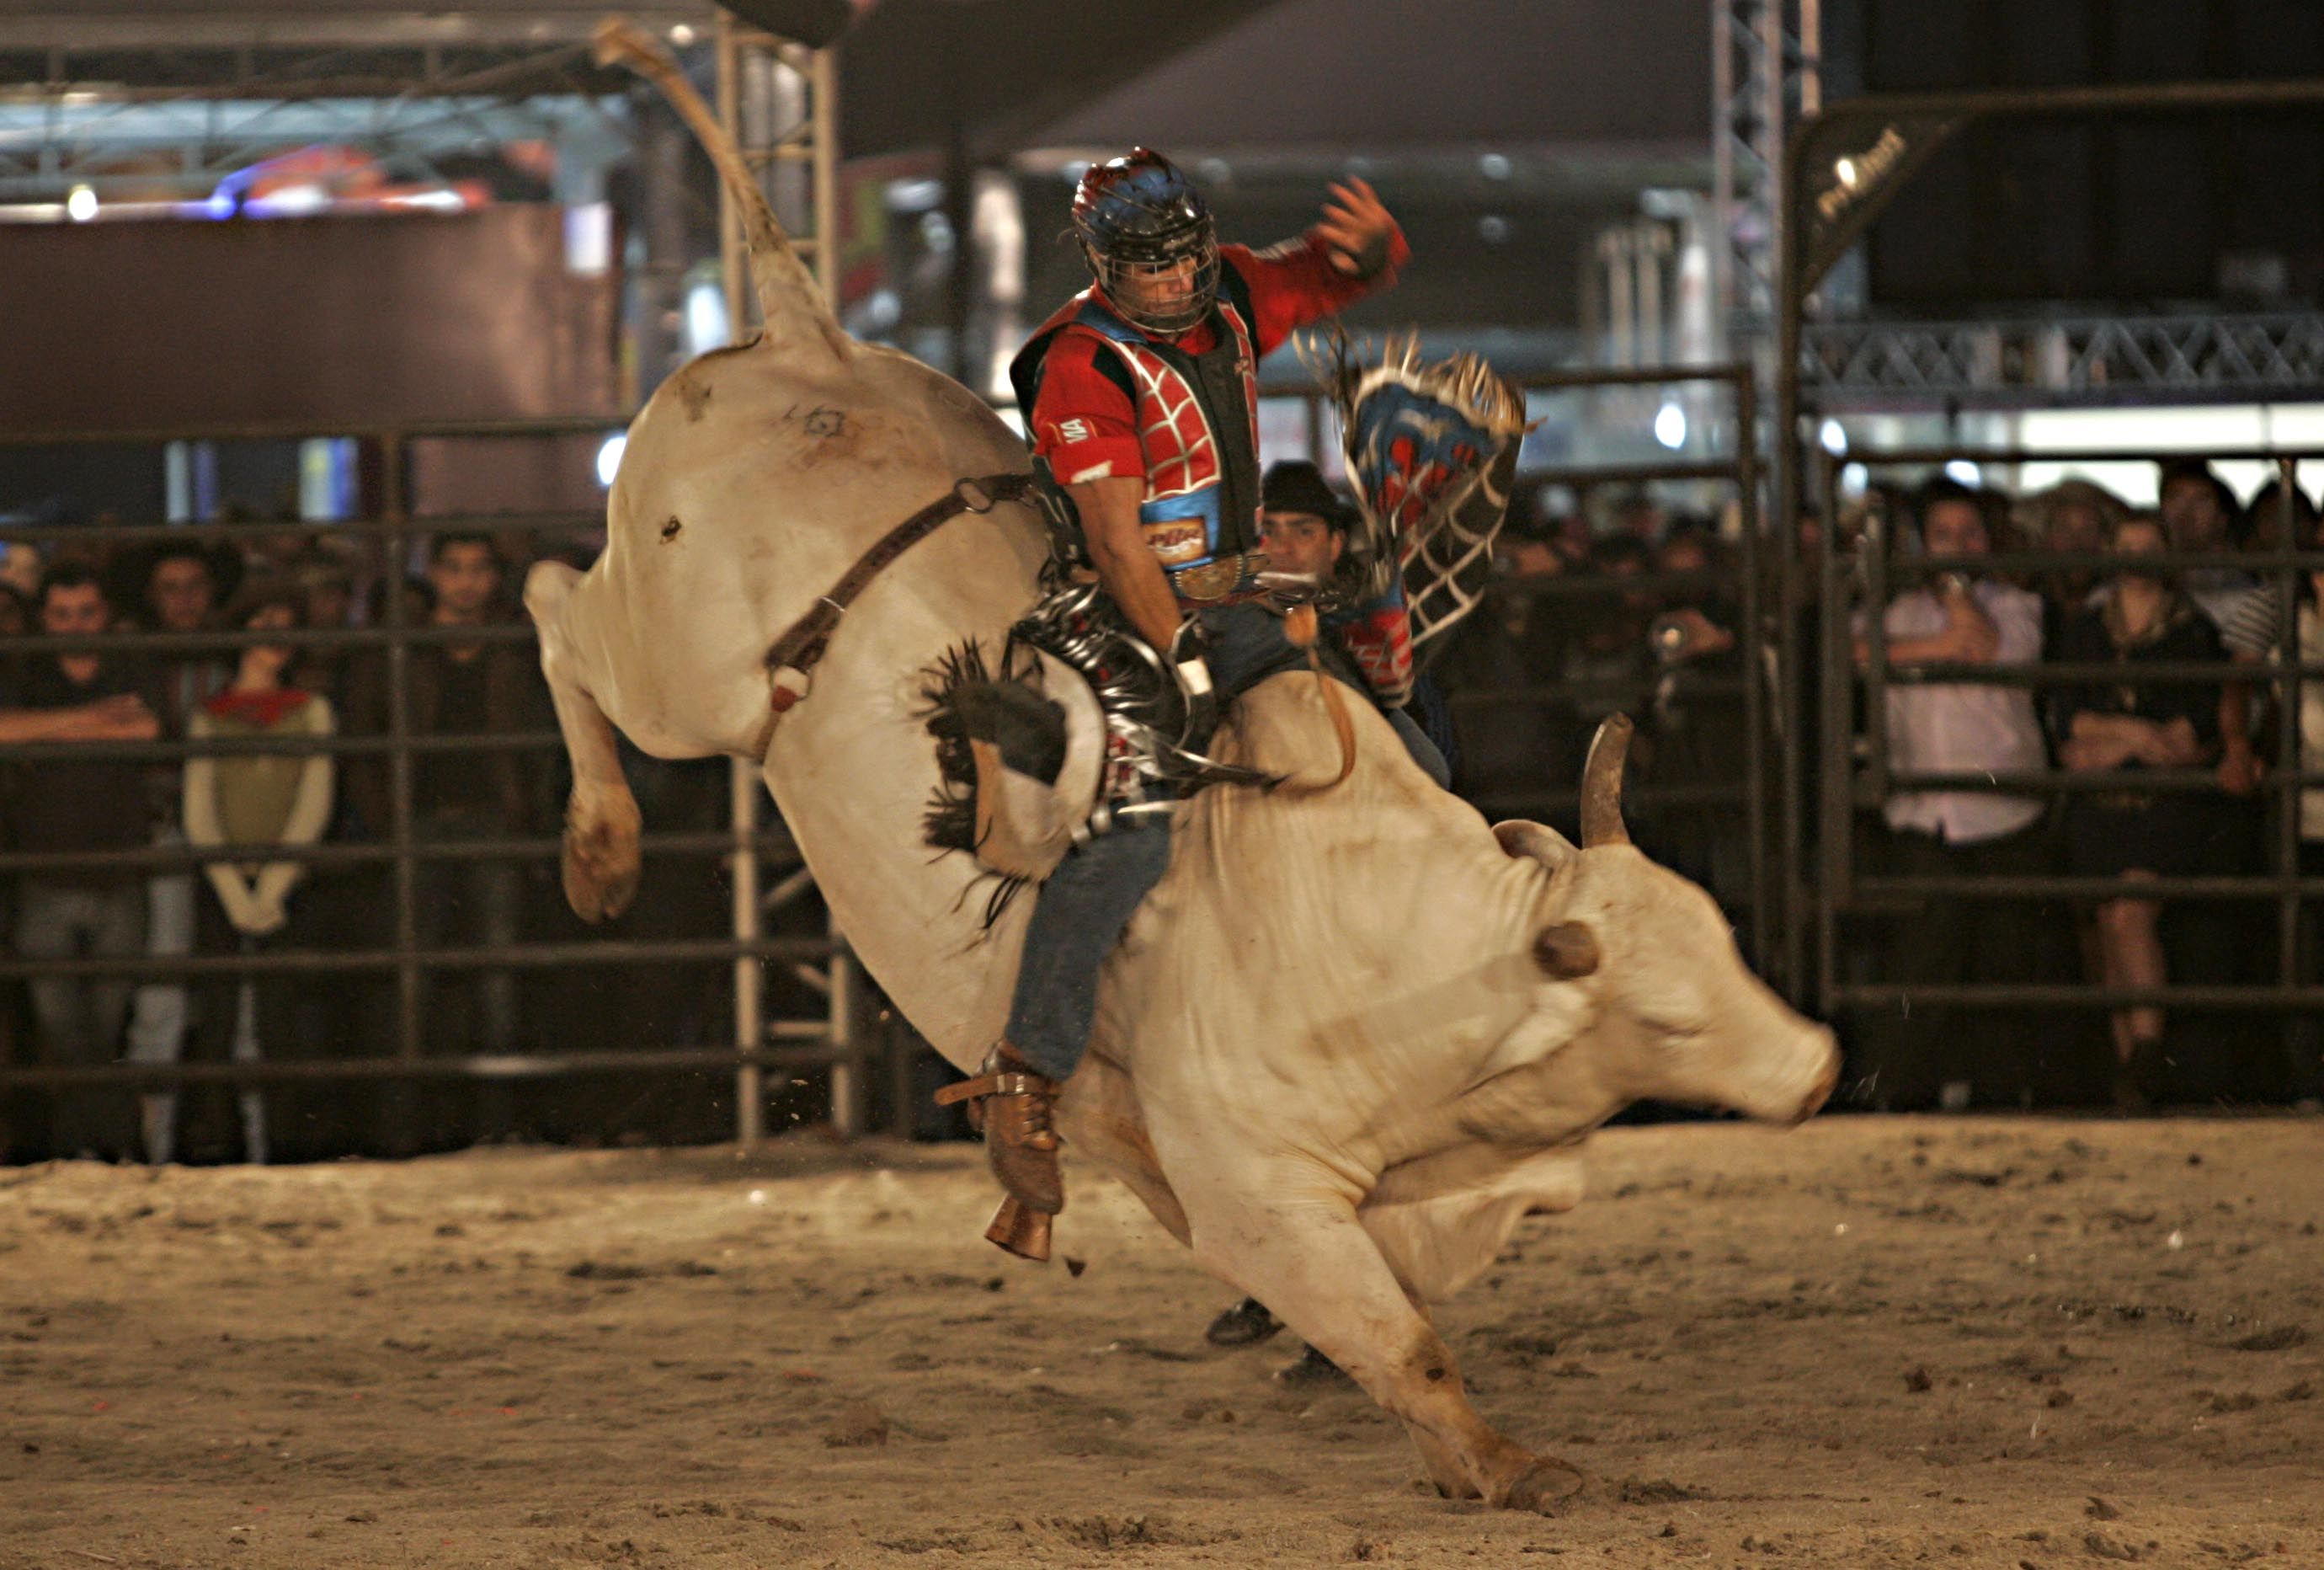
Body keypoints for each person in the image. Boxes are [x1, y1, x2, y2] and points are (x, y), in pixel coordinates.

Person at [945, 149, 1408, 1232]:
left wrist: (1373, 252)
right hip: (1120, 616)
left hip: (1232, 598)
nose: (1172, 281)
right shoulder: (1080, 364)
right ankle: (1027, 1072)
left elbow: (1328, 276)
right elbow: (1116, 543)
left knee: (1397, 755)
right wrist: (1187, 662)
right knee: (1136, 829)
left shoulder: (1237, 289)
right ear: (1107, 265)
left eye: (1185, 257)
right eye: (1149, 266)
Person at [1854, 478, 2054, 1111]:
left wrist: (1948, 609)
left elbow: (1984, 645)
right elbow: (1859, 653)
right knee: (1923, 965)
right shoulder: (1896, 612)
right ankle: (1907, 1096)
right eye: (1945, 534)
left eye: (1969, 532)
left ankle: (2000, 1097)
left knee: (2003, 963)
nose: (1959, 544)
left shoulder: (2018, 606)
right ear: (1921, 542)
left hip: (2004, 813)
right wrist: (1936, 645)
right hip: (1926, 814)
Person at [2051, 511, 2226, 1113]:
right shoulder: (2085, 630)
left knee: (2129, 912)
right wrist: (2136, 736)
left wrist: (2110, 739)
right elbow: (2069, 729)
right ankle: (2130, 1070)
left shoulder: (2194, 632)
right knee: (2108, 925)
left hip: (2160, 807)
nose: (2137, 556)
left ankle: (2145, 1053)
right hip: (2102, 806)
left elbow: (2189, 737)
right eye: (2127, 545)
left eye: (2149, 545)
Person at [0, 565, 163, 1159]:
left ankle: (89, 1151)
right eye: (63, 614)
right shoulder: (25, 668)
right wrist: (94, 718)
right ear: (46, 619)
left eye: (86, 612)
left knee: (105, 1024)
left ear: (105, 614)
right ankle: (107, 1147)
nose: (74, 626)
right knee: (65, 1029)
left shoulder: (129, 663)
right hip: (46, 876)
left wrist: (47, 730)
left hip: (117, 872)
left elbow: (145, 730)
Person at [171, 585, 336, 1165]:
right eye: (262, 619)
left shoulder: (311, 711)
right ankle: (219, 1142)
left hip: (281, 885)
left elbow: (312, 805)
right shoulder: (210, 716)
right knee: (217, 1018)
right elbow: (199, 810)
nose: (274, 634)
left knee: (282, 1019)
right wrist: (235, 892)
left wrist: (269, 887)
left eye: (283, 621)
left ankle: (288, 1144)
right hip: (229, 884)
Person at [117, 537, 241, 1160]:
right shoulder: (131, 656)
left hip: (228, 828)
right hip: (163, 826)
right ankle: (154, 1146)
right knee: (162, 992)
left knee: (227, 990)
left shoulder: (230, 653)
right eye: (172, 587)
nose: (185, 600)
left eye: (194, 586)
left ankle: (228, 1143)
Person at [1253, 460, 1447, 785]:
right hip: (1266, 704)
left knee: (1428, 770)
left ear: (1336, 543)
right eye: (1269, 531)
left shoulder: (1366, 596)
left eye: (1304, 531)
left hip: (1355, 696)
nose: (1283, 547)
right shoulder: (1241, 604)